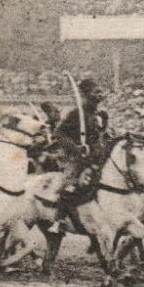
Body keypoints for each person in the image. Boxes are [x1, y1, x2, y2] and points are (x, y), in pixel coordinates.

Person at [55, 78, 110, 216]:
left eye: (99, 92)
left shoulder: (101, 115)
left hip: (98, 156)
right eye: (94, 92)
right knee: (71, 185)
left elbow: (102, 135)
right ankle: (59, 219)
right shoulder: (76, 114)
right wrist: (76, 147)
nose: (98, 96)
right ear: (86, 95)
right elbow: (59, 133)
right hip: (79, 158)